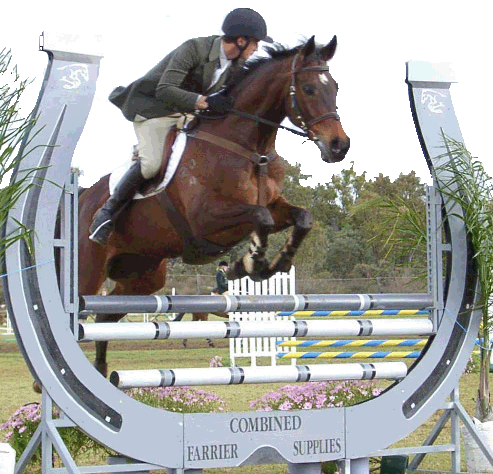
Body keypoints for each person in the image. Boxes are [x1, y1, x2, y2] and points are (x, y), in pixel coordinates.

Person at [89, 8, 273, 245]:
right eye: (255, 43)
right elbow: (165, 89)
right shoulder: (194, 49)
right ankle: (107, 213)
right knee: (151, 164)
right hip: (154, 109)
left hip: (186, 114)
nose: (256, 48)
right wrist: (203, 101)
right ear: (240, 39)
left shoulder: (236, 65)